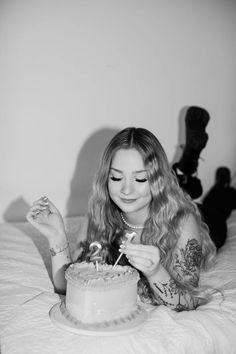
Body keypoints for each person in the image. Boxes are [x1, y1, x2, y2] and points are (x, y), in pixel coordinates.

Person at [27, 127, 217, 312]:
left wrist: (155, 272)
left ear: (158, 180)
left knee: (216, 212)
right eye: (116, 178)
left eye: (140, 179)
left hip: (208, 225)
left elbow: (189, 302)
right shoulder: (99, 214)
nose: (126, 190)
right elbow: (69, 286)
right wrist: (57, 237)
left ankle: (204, 174)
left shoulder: (183, 223)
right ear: (106, 177)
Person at [201, 167, 236, 249]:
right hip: (218, 224)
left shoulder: (213, 191)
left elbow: (205, 205)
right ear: (228, 178)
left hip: (207, 219)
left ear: (217, 177)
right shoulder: (231, 191)